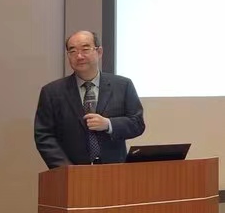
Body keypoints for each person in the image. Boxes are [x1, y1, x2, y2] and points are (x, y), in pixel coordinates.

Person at [34, 30, 145, 168]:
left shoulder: (123, 85)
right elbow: (44, 135)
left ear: (99, 52)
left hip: (115, 171)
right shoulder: (52, 92)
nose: (79, 56)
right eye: (72, 51)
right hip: (71, 173)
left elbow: (137, 123)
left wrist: (109, 124)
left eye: (85, 49)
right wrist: (66, 169)